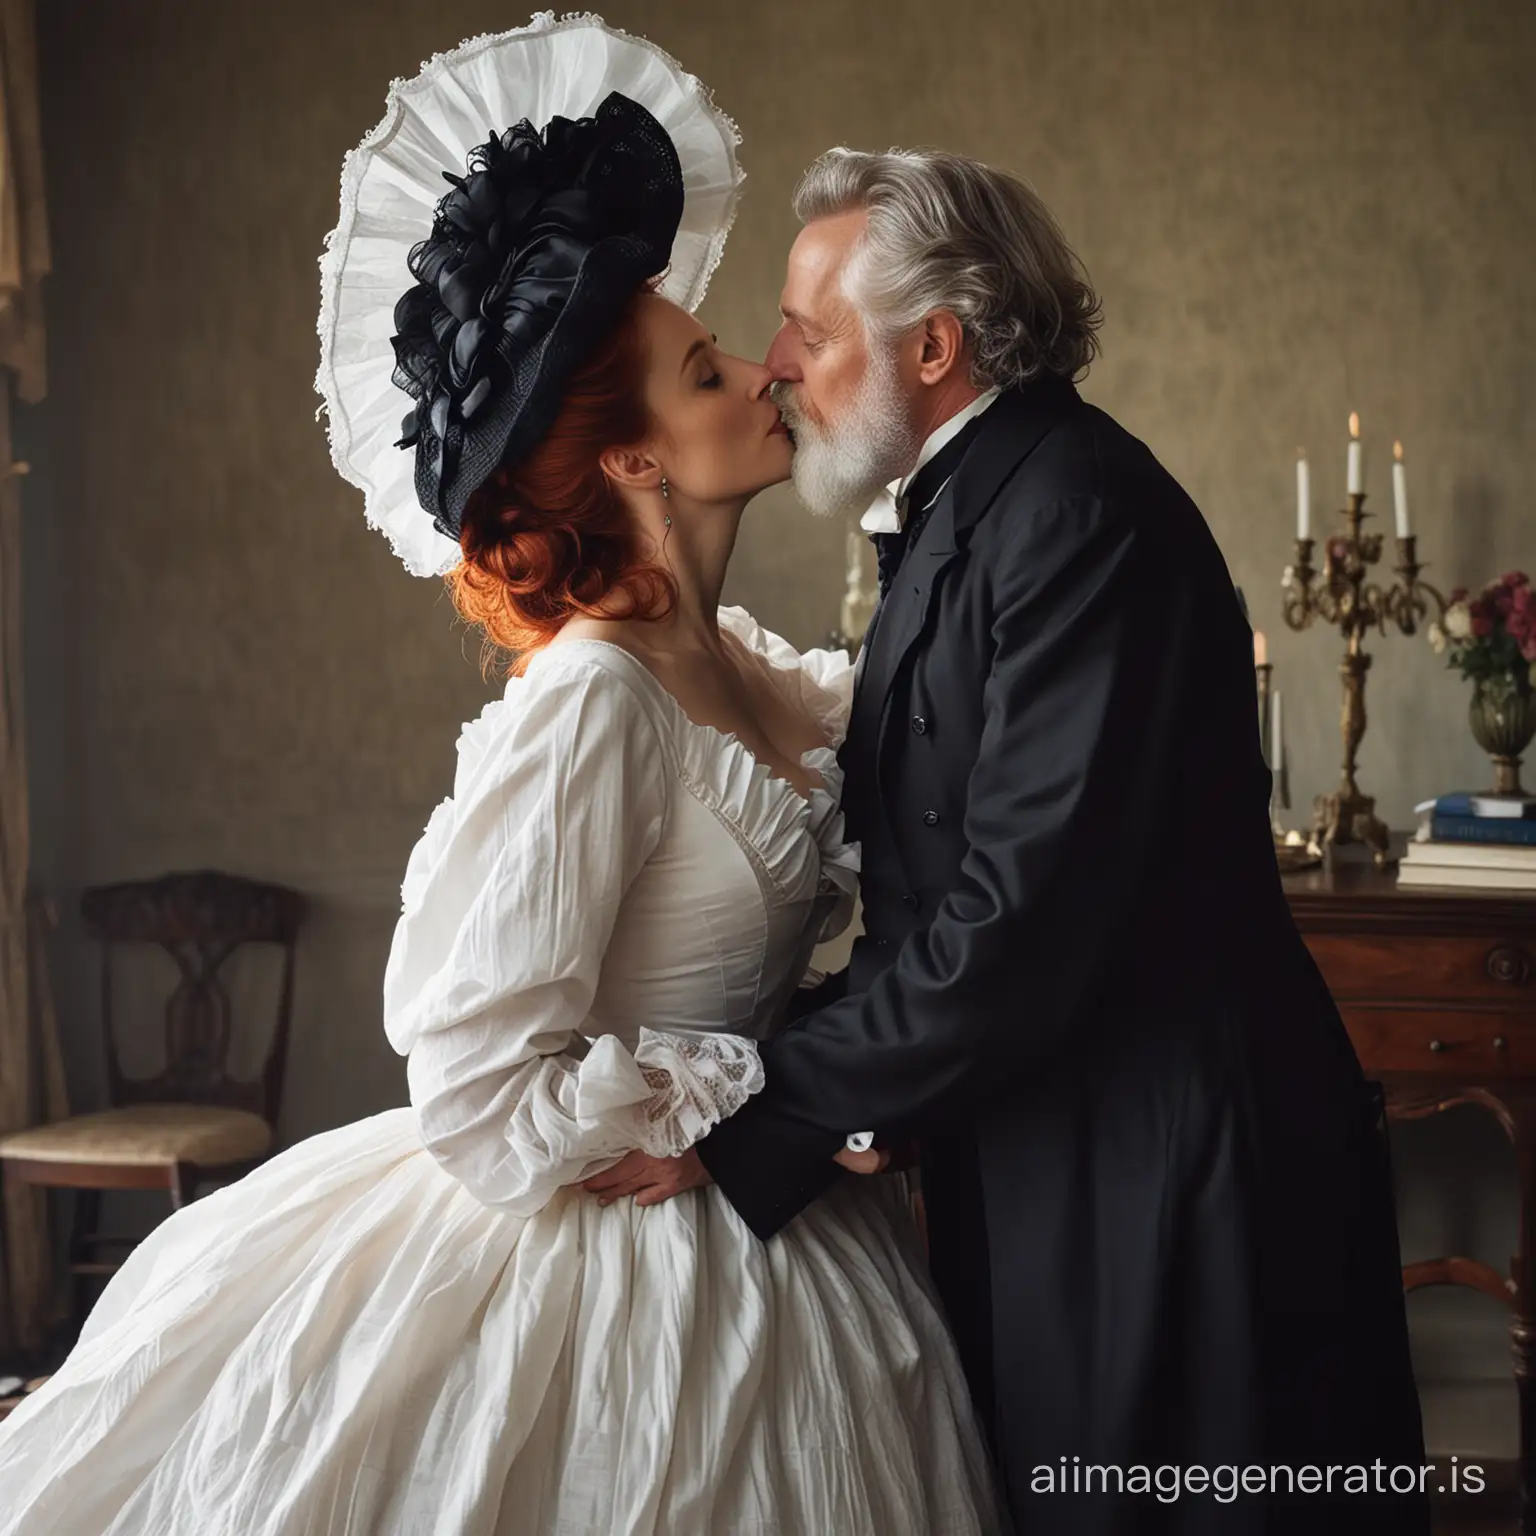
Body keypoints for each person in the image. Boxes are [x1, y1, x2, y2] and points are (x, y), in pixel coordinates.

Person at [0, 33, 1004, 1536]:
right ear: (634, 466)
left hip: (784, 1228)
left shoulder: (749, 668)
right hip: (612, 1248)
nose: (764, 368)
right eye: (705, 367)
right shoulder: (595, 698)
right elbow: (472, 1073)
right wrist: (701, 1105)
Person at [587, 148, 1431, 1532]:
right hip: (1063, 1145)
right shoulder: (979, 508)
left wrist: (763, 1113)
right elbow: (938, 903)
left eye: (810, 325)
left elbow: (1019, 916)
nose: (780, 363)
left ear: (932, 346)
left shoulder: (1079, 517)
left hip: (1174, 1174)